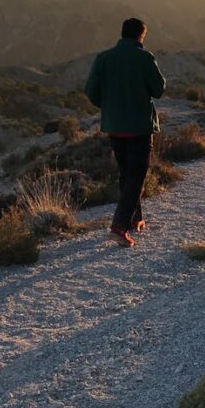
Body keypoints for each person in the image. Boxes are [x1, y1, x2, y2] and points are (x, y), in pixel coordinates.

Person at [85, 18, 166, 247]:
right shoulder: (145, 58)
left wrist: (110, 107)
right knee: (137, 177)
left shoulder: (104, 58)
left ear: (122, 35)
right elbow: (159, 90)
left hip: (115, 126)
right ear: (141, 35)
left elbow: (91, 91)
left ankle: (134, 218)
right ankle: (119, 226)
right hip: (140, 127)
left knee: (126, 174)